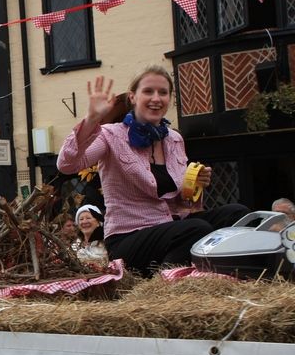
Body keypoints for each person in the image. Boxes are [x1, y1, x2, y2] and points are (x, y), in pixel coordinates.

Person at [57, 67, 250, 276]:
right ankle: (167, 283)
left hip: (170, 227)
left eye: (163, 92)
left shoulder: (174, 139)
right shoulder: (110, 135)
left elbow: (180, 204)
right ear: (133, 97)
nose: (156, 98)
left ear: (170, 98)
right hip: (128, 237)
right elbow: (67, 165)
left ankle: (235, 275)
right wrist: (91, 120)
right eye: (148, 91)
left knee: (237, 214)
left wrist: (194, 185)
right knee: (196, 229)